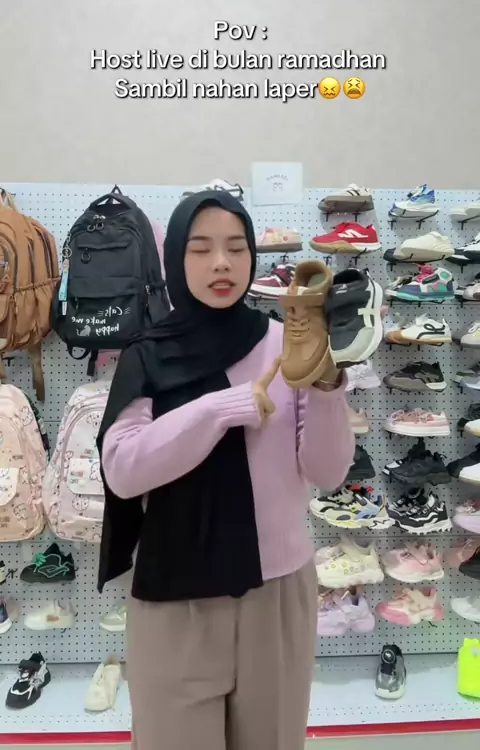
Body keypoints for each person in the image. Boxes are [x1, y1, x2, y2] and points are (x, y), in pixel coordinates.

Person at [97, 191, 354, 750]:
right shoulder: (148, 353)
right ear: (174, 258)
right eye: (201, 248)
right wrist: (222, 409)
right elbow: (123, 469)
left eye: (237, 248)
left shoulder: (288, 344)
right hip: (175, 600)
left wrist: (328, 383)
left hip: (276, 595)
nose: (221, 263)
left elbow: (328, 471)